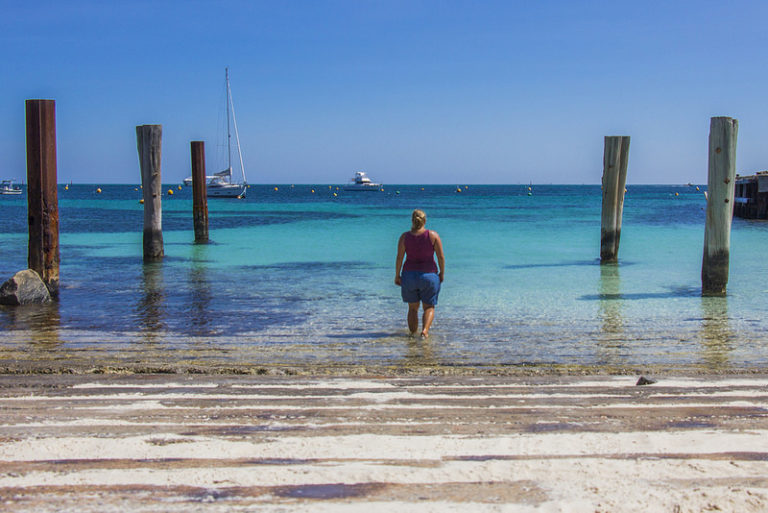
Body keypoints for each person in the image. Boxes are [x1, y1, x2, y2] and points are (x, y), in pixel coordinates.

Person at [395, 209, 445, 338]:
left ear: (412, 220)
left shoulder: (404, 237)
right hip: (429, 275)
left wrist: (397, 275)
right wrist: (442, 273)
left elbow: (399, 257)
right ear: (425, 220)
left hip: (409, 275)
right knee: (429, 307)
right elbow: (440, 257)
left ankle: (412, 336)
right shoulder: (433, 235)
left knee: (412, 308)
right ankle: (424, 332)